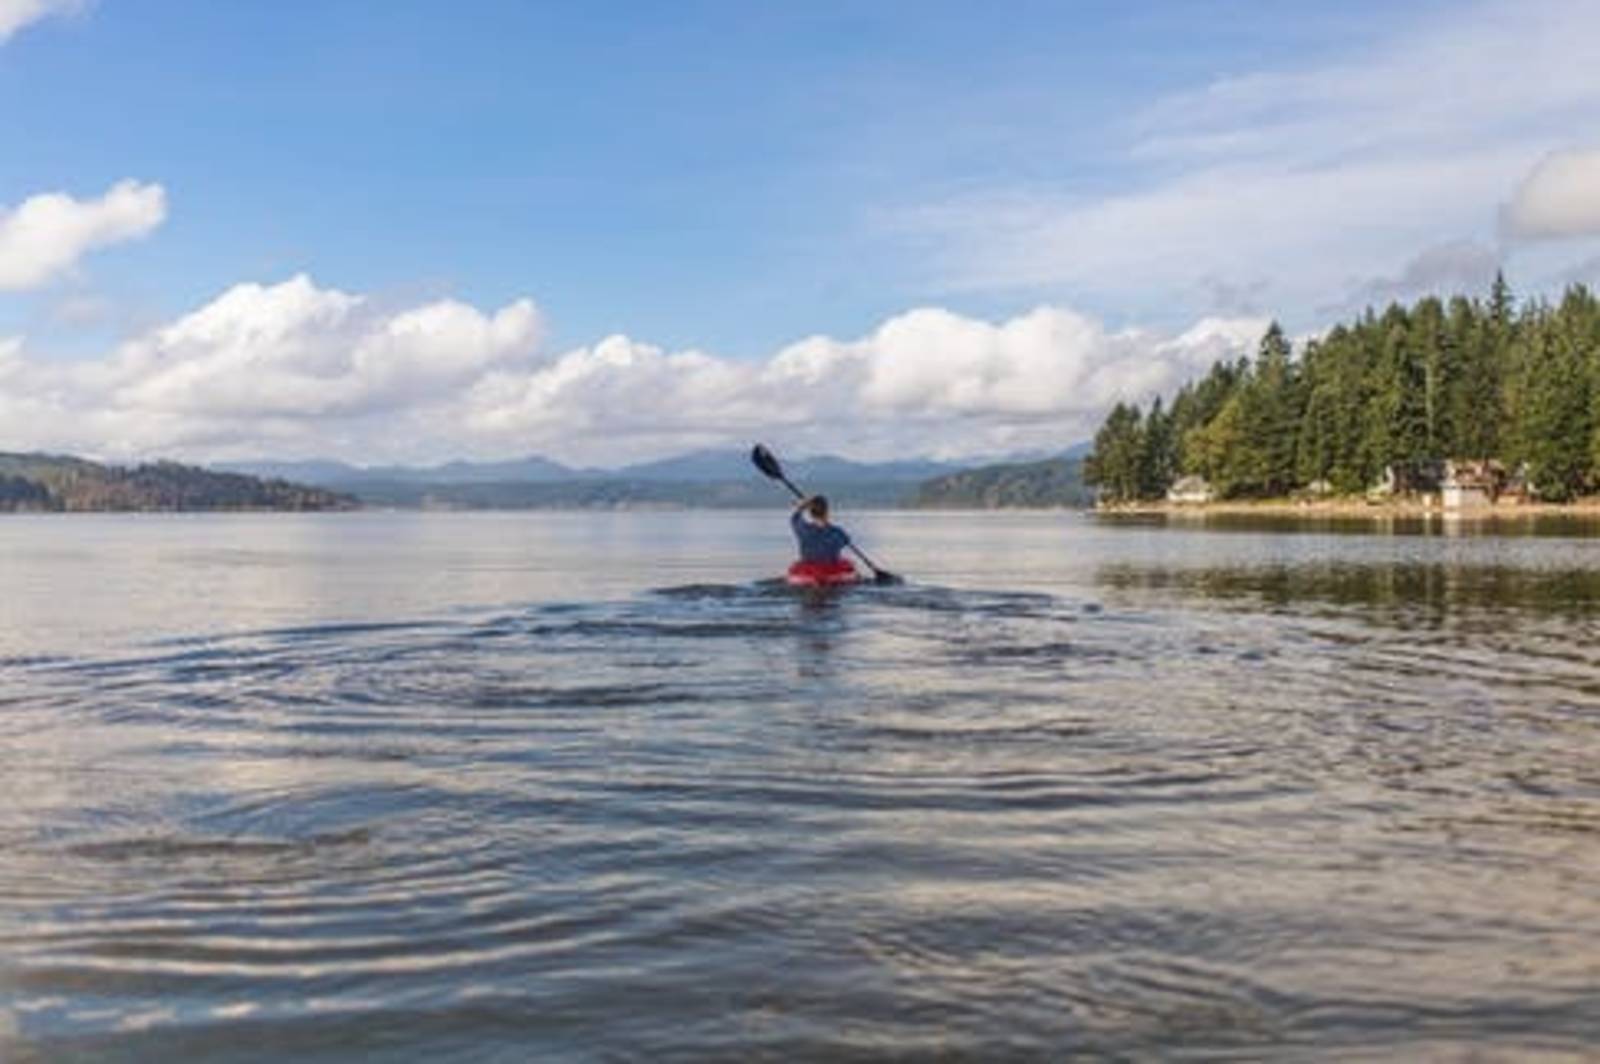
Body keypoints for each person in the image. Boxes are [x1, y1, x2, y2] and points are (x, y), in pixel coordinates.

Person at [789, 494, 857, 583]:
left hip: (807, 574)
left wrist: (802, 507)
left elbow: (795, 518)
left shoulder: (803, 530)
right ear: (827, 512)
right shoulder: (838, 532)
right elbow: (847, 540)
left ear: (811, 513)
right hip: (832, 573)